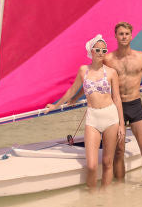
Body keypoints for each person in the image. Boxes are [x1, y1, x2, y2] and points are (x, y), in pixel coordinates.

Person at [46, 34, 124, 190]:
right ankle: (91, 199)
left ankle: (104, 197)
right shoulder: (83, 70)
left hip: (111, 117)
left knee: (108, 162)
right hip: (93, 118)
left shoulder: (111, 72)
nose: (101, 52)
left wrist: (122, 124)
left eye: (104, 50)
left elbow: (117, 98)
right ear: (91, 51)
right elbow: (73, 90)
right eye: (98, 49)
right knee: (92, 166)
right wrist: (56, 106)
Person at [104, 21, 142, 189]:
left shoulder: (141, 57)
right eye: (120, 33)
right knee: (119, 151)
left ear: (131, 35)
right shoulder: (108, 59)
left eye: (126, 33)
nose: (124, 36)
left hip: (135, 106)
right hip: (115, 108)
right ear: (115, 36)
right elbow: (99, 82)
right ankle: (120, 186)